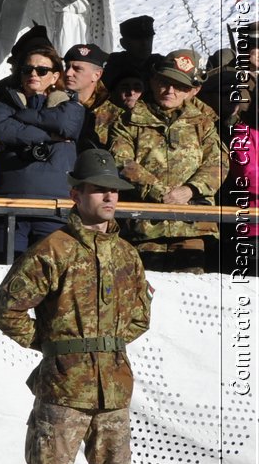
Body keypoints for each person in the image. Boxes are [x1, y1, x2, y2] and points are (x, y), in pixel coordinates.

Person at [0, 149, 152, 464]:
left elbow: (141, 316)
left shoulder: (126, 254)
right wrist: (54, 345)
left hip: (114, 392)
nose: (108, 196)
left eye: (113, 190)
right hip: (64, 392)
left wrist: (105, 347)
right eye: (98, 188)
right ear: (76, 194)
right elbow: (9, 309)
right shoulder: (53, 250)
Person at [108, 50, 226, 273]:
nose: (170, 90)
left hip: (191, 227)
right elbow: (121, 162)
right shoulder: (128, 121)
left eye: (179, 86)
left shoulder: (203, 123)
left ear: (192, 91)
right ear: (152, 80)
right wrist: (159, 193)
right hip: (145, 227)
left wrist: (190, 190)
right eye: (164, 82)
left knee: (190, 297)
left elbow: (219, 162)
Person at [0, 42, 83, 259]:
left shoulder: (70, 106)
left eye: (42, 70)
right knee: (2, 278)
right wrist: (52, 137)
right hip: (7, 207)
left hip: (54, 211)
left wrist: (24, 121)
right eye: (27, 69)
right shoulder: (3, 102)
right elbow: (0, 130)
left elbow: (67, 125)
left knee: (52, 280)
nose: (34, 74)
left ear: (55, 76)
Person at [63, 43, 120, 149]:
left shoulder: (114, 115)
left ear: (97, 75)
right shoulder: (56, 104)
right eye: (67, 67)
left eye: (77, 69)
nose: (68, 73)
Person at [102, 15, 155, 89]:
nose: (145, 43)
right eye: (137, 39)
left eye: (148, 38)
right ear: (123, 43)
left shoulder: (159, 64)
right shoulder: (114, 67)